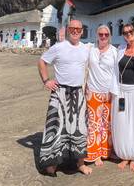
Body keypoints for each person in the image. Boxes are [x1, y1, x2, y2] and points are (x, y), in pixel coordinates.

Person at [37, 19, 92, 176]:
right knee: (55, 128)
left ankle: (80, 163)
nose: (75, 31)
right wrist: (46, 80)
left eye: (78, 29)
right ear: (68, 30)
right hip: (60, 92)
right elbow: (42, 61)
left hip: (78, 93)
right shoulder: (58, 47)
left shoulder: (86, 48)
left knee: (80, 128)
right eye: (72, 28)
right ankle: (51, 164)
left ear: (82, 31)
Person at [111, 23, 134, 171]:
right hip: (121, 93)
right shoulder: (120, 49)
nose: (128, 34)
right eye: (125, 32)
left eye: (131, 31)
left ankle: (133, 157)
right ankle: (124, 155)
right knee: (122, 122)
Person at [85, 25, 117, 166]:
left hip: (108, 92)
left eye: (106, 34)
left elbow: (118, 71)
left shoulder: (114, 51)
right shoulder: (90, 49)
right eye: (100, 34)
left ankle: (106, 152)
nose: (103, 36)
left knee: (107, 124)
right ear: (97, 35)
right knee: (93, 124)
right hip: (93, 91)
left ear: (109, 35)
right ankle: (95, 154)